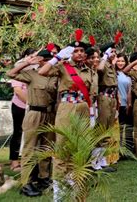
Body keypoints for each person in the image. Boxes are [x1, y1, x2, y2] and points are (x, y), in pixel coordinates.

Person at [38, 30, 94, 184]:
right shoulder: (63, 67)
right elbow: (42, 72)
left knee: (80, 143)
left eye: (82, 51)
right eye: (76, 51)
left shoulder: (88, 70)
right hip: (67, 106)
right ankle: (58, 182)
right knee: (62, 143)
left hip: (83, 106)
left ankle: (74, 176)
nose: (80, 53)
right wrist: (57, 57)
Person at [7, 48, 58, 197]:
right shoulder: (32, 74)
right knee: (30, 148)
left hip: (50, 113)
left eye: (52, 60)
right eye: (48, 60)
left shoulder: (56, 76)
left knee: (47, 148)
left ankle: (44, 178)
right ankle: (26, 183)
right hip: (34, 113)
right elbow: (10, 74)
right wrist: (25, 63)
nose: (50, 62)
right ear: (41, 61)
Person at [9, 48, 34, 172]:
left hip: (34, 108)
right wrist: (30, 103)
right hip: (20, 106)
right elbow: (18, 91)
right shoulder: (19, 69)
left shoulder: (37, 71)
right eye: (30, 56)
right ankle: (14, 161)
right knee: (18, 132)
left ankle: (29, 161)